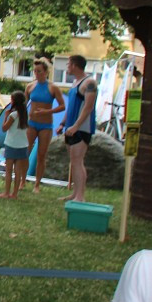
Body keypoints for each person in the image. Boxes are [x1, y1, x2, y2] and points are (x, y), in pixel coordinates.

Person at [57, 55, 97, 203]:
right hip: (70, 127)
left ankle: (80, 196)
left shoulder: (90, 83)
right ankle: (75, 193)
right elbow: (71, 106)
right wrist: (63, 123)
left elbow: (88, 107)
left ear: (74, 65)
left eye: (68, 64)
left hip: (82, 128)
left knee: (78, 161)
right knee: (73, 162)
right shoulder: (75, 83)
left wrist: (76, 126)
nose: (67, 67)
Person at [24, 58, 65, 193]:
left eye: (39, 71)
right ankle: (22, 180)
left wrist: (48, 111)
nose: (37, 74)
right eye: (35, 71)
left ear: (46, 72)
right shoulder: (30, 86)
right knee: (26, 152)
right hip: (31, 123)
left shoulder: (53, 87)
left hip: (46, 124)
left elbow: (62, 106)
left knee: (41, 155)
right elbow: (24, 104)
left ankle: (37, 184)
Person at [0, 91, 29, 200]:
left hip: (11, 144)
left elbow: (4, 128)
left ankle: (6, 192)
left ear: (14, 101)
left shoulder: (13, 115)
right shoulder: (25, 114)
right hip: (22, 145)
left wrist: (5, 117)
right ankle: (14, 194)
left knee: (8, 170)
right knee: (18, 171)